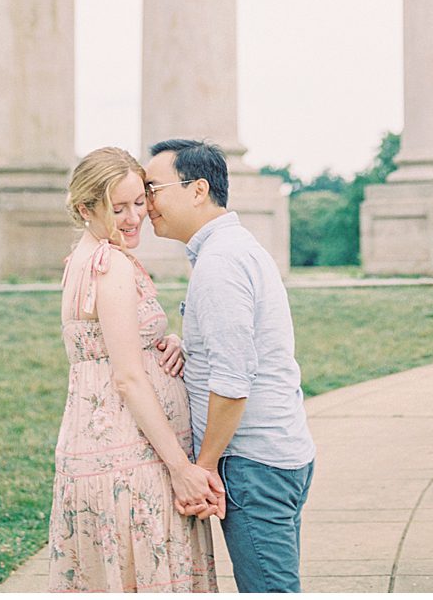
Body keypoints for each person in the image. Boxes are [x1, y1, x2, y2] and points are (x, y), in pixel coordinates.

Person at [47, 146, 223, 593]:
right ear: (86, 208)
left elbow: (113, 349)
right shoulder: (111, 267)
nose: (133, 218)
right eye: (117, 208)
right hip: (130, 456)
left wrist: (168, 345)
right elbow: (126, 377)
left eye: (139, 202)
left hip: (98, 449)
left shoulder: (83, 259)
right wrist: (181, 468)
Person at [145, 139, 316, 594]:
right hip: (271, 456)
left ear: (197, 189)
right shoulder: (229, 249)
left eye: (153, 188)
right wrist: (191, 347)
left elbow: (234, 380)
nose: (145, 204)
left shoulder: (221, 261)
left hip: (252, 464)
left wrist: (203, 467)